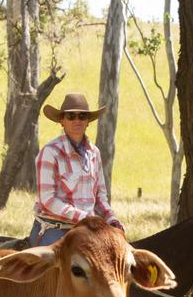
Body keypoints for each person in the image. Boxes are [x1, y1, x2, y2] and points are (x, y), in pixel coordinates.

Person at [29, 92, 124, 247]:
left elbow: (101, 198)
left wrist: (112, 220)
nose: (77, 120)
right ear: (62, 121)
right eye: (71, 116)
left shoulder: (94, 153)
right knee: (55, 265)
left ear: (88, 121)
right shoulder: (50, 152)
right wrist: (83, 218)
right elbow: (47, 200)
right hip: (55, 228)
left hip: (89, 228)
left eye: (82, 116)